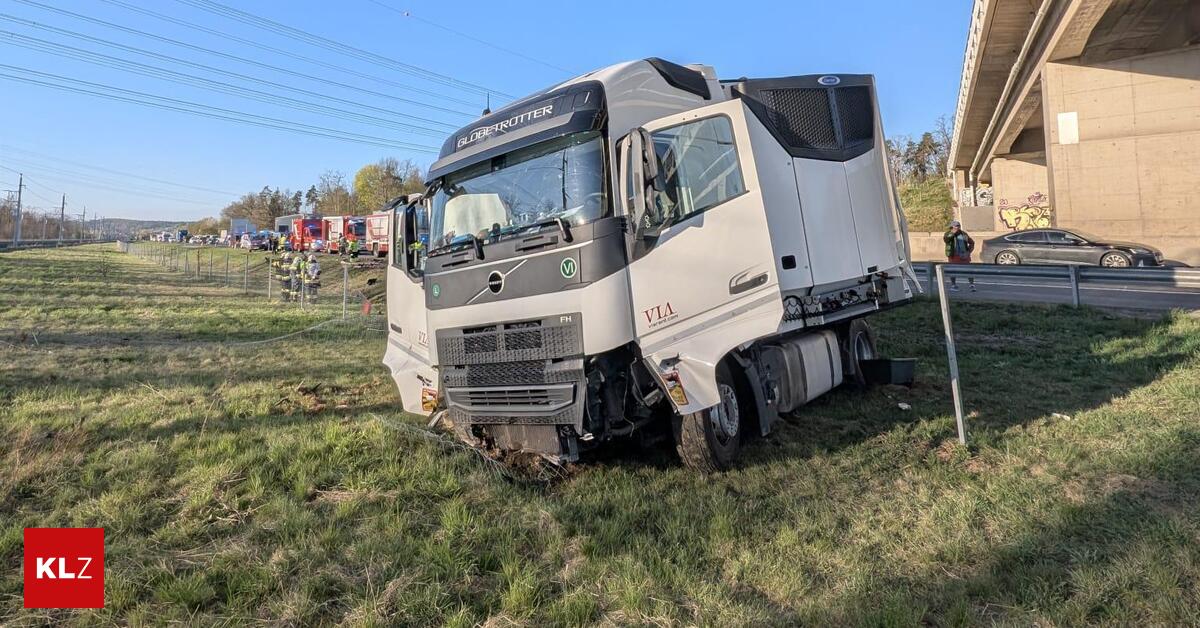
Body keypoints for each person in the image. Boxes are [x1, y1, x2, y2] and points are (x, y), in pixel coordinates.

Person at [943, 220, 976, 291]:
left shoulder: (964, 234)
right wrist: (952, 233)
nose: (957, 228)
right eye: (955, 226)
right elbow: (946, 240)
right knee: (953, 271)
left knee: (968, 270)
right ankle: (953, 285)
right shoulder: (948, 233)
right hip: (953, 255)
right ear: (951, 227)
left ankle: (971, 285)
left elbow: (972, 242)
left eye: (958, 226)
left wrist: (969, 252)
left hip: (964, 255)